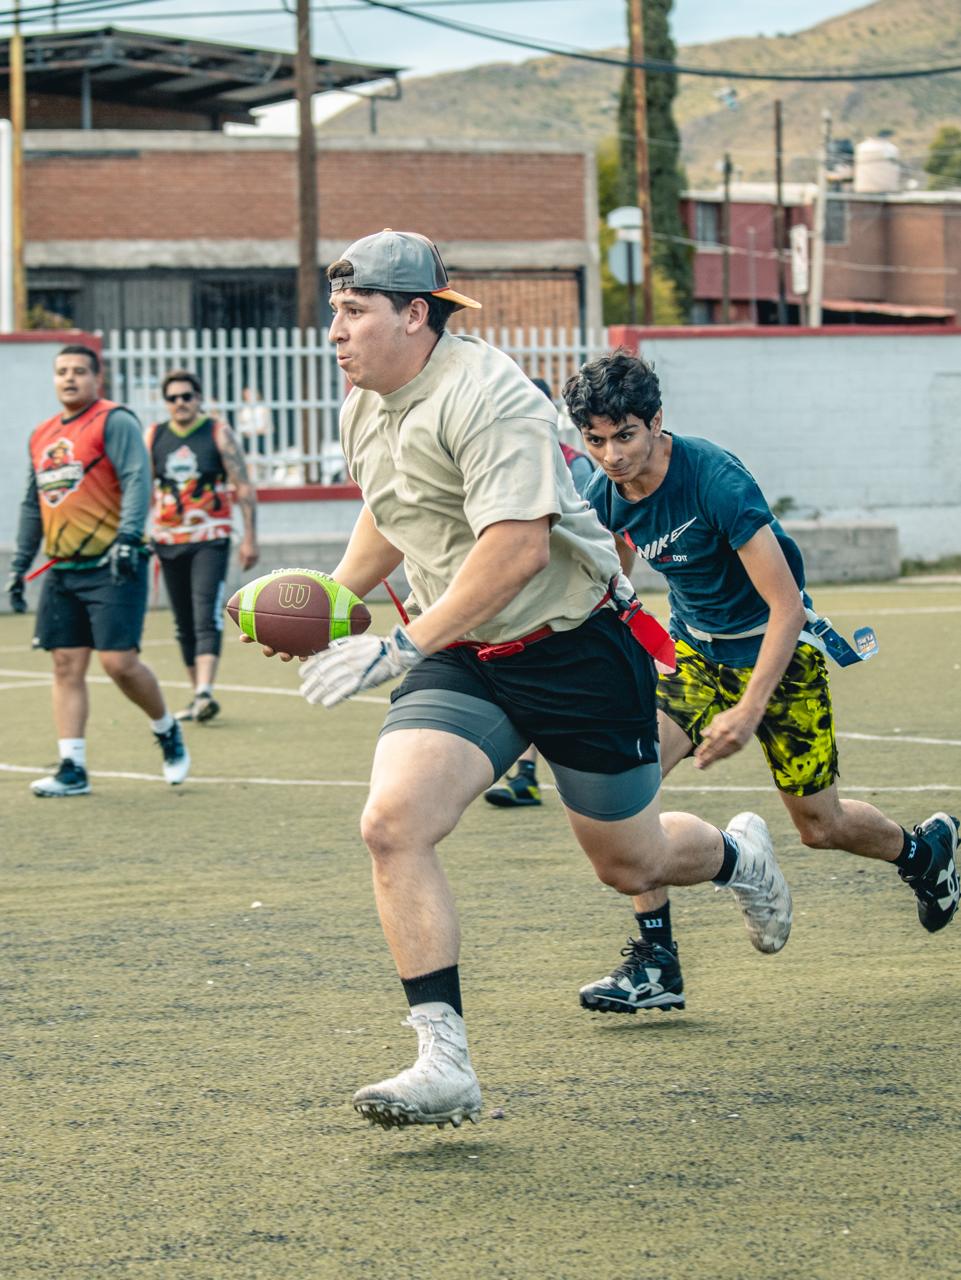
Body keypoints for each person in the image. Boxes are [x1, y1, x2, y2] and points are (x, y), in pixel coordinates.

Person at [249, 229, 793, 1131]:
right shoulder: (365, 403)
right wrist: (332, 604)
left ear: (413, 314)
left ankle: (738, 858)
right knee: (392, 824)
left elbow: (517, 550)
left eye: (352, 312)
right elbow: (393, 512)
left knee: (629, 862)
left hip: (574, 646)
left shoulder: (488, 394)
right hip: (465, 652)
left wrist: (398, 644)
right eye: (333, 313)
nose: (334, 332)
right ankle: (443, 1062)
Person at [559, 350, 959, 1014]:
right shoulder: (606, 494)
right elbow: (615, 571)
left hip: (779, 656)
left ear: (656, 421)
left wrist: (748, 710)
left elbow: (787, 607)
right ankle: (657, 964)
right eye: (595, 440)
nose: (611, 455)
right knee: (626, 793)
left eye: (624, 435)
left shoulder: (714, 480)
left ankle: (924, 852)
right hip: (692, 657)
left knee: (820, 826)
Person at [5, 344, 190, 796]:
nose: (69, 378)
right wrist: (20, 563)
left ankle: (166, 728)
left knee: (118, 663)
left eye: (79, 371)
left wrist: (128, 536)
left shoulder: (114, 420)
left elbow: (136, 478)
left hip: (114, 563)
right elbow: (32, 503)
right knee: (65, 664)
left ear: (96, 377)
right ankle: (72, 767)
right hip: (63, 568)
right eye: (62, 371)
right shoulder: (42, 434)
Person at [483, 375, 596, 809]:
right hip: (519, 597)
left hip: (570, 599)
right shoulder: (496, 460)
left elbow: (598, 531)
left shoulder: (575, 465)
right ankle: (526, 776)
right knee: (524, 685)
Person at [146, 369, 259, 723]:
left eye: (186, 396)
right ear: (165, 402)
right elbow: (144, 486)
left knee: (205, 611)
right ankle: (198, 695)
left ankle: (205, 691)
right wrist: (138, 531)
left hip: (210, 538)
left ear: (198, 399)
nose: (180, 403)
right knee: (182, 621)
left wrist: (250, 537)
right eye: (173, 398)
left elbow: (243, 486)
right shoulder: (154, 435)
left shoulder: (217, 433)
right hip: (167, 539)